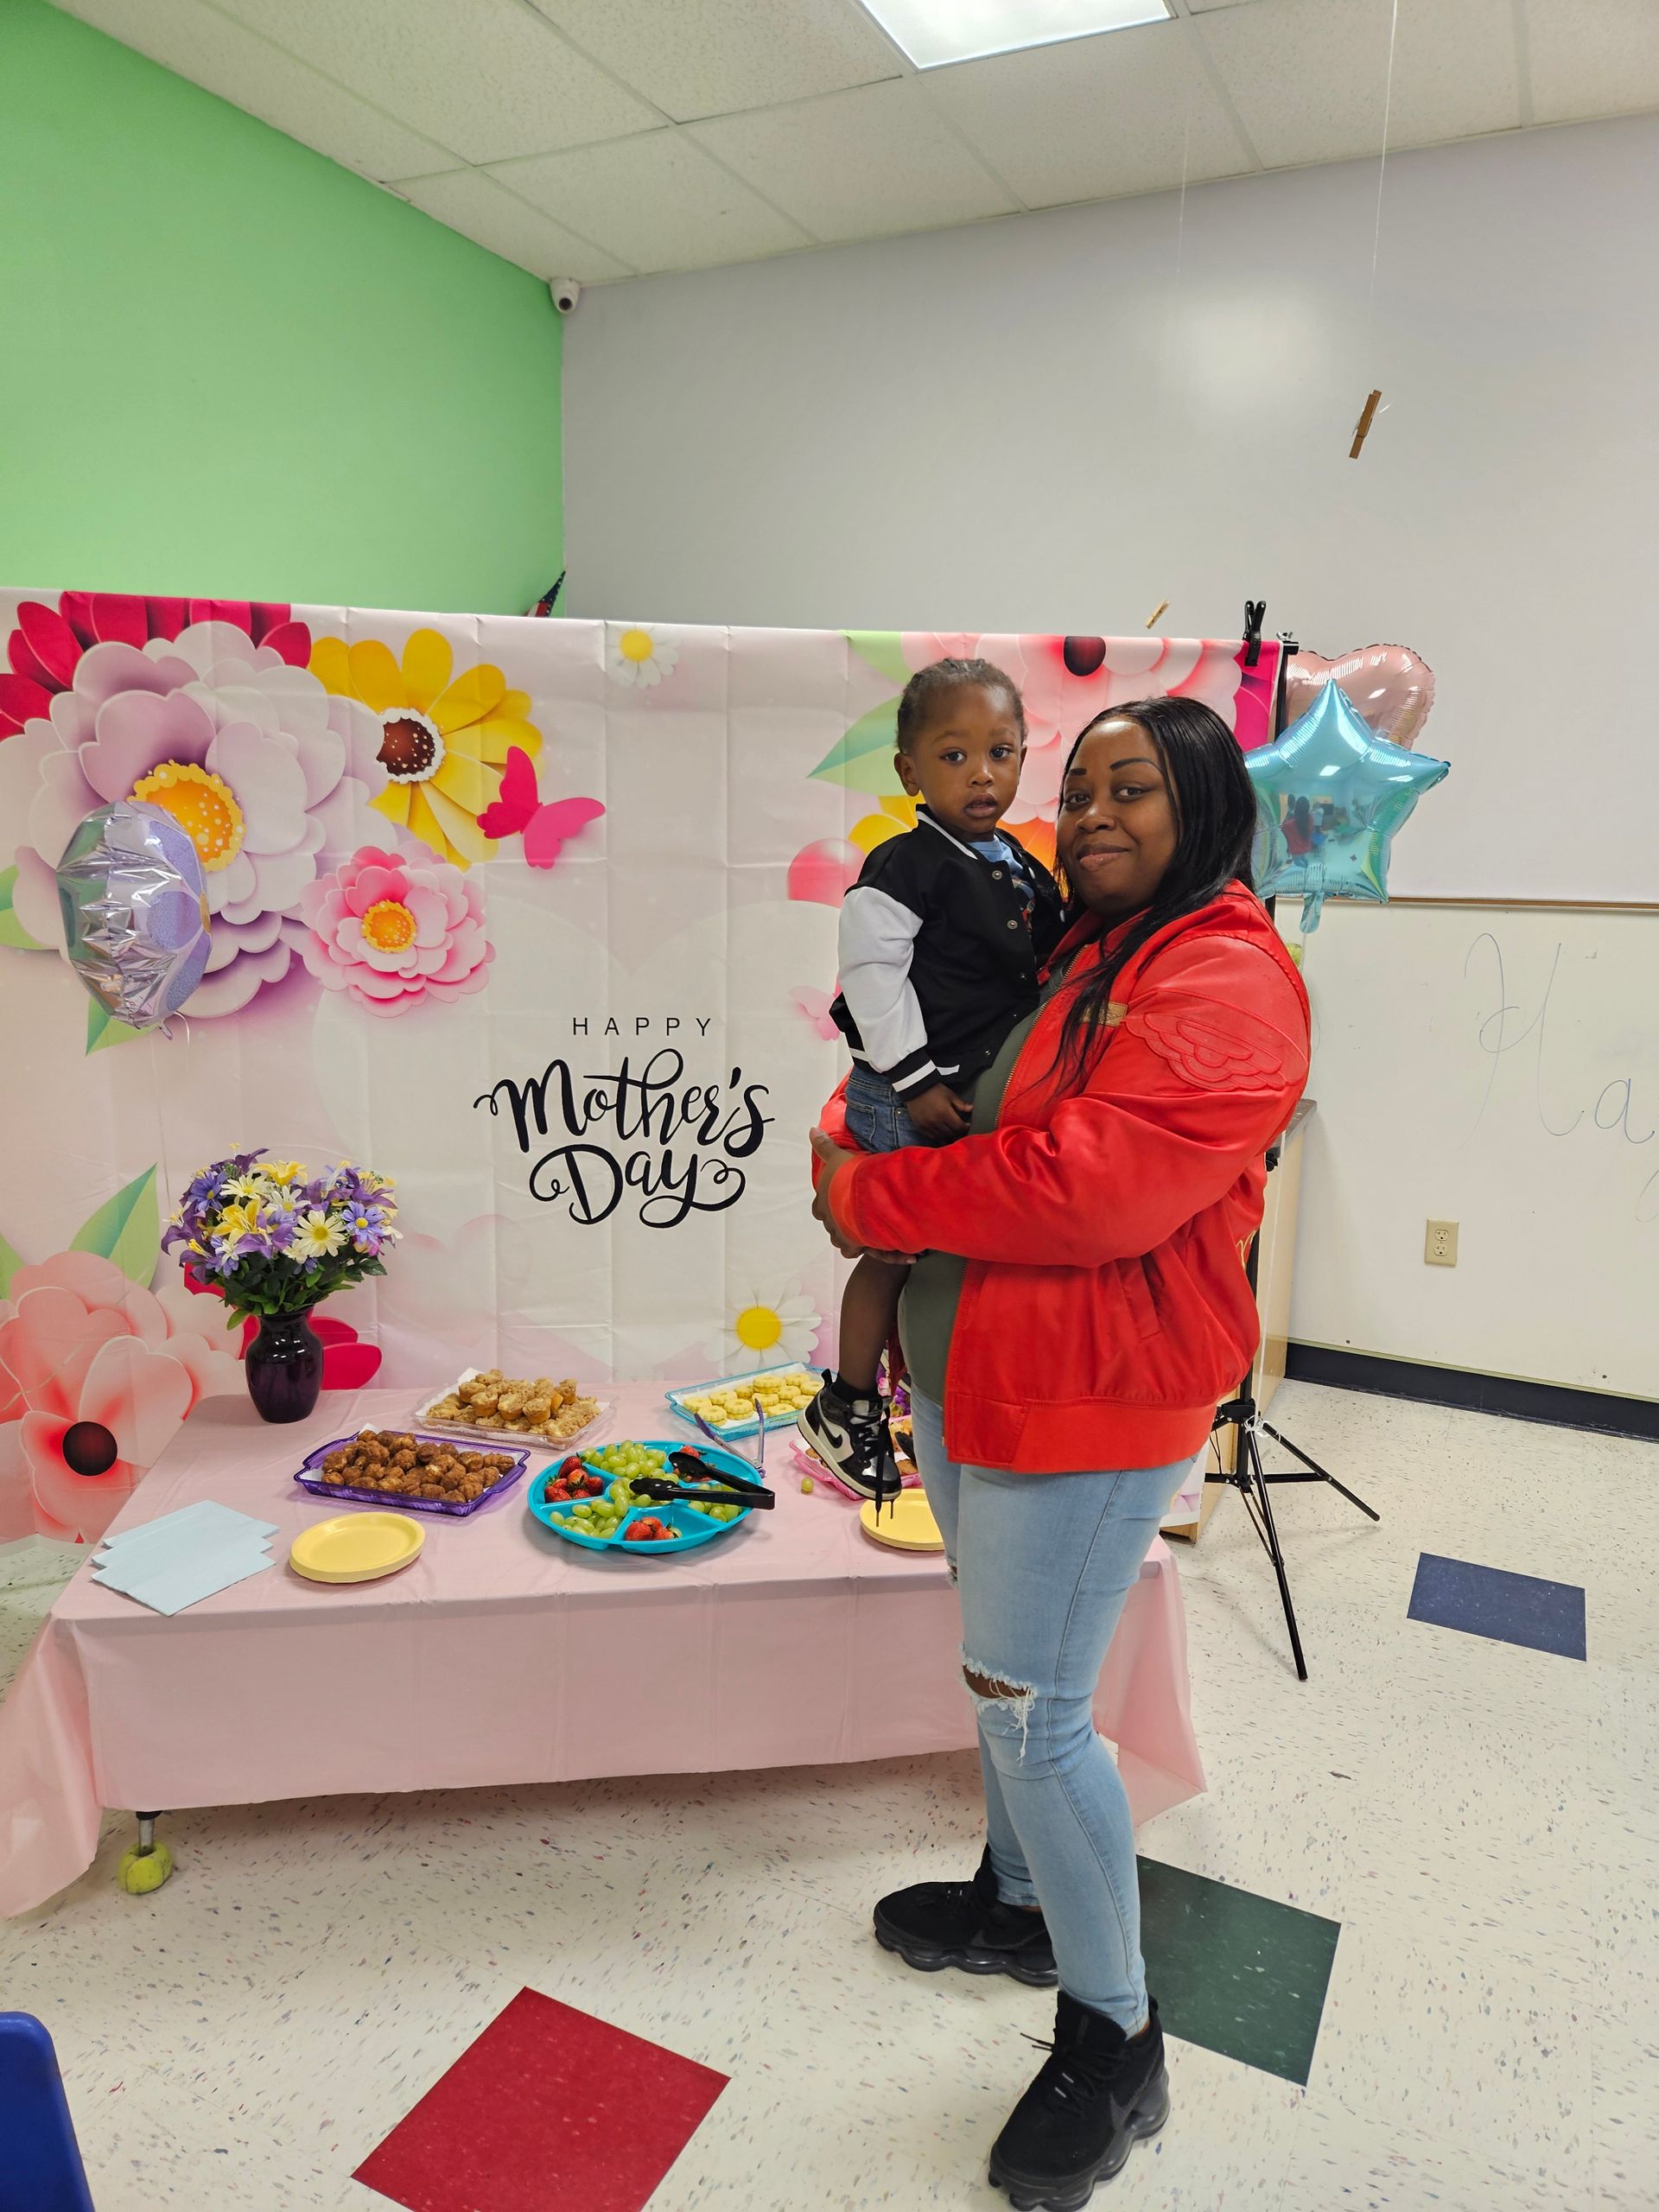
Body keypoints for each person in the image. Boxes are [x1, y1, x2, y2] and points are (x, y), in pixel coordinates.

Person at [808, 696, 1310, 2209]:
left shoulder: (1224, 975)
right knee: (996, 1666)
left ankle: (1118, 2034)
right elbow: (954, 1086)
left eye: (1131, 788)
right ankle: (1020, 1901)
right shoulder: (1089, 945)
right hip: (982, 1360)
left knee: (1034, 1711)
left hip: (1090, 1388)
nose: (1087, 812)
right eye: (1076, 784)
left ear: (1205, 804)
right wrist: (870, 1144)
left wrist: (873, 1204)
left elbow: (1087, 1188)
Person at [797, 658, 1063, 1502]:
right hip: (913, 1089)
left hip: (966, 1093)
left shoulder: (1014, 859)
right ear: (909, 769)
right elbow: (871, 977)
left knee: (942, 1248)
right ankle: (845, 1403)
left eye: (1001, 751)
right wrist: (912, 1082)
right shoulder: (903, 865)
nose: (982, 773)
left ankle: (912, 1401)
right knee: (895, 1247)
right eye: (954, 756)